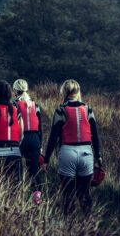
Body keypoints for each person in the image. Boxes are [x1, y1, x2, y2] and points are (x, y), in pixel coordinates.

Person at [42, 79, 103, 215]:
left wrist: (46, 160)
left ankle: (69, 228)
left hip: (67, 152)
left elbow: (53, 138)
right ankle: (88, 226)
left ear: (64, 92)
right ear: (78, 91)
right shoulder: (88, 110)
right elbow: (95, 136)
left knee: (67, 195)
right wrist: (98, 156)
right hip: (86, 153)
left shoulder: (61, 111)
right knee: (85, 194)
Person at [14, 79, 44, 204]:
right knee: (34, 170)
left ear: (15, 90)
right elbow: (40, 127)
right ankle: (36, 199)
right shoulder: (35, 104)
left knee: (16, 168)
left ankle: (15, 196)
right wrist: (41, 145)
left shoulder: (15, 104)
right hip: (35, 139)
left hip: (22, 138)